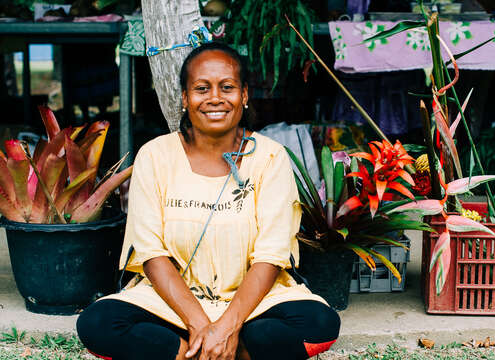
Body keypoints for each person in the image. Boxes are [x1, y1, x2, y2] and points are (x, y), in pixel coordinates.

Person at [76, 42, 341, 360]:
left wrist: (228, 324)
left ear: (243, 95)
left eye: (226, 87)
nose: (215, 98)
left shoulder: (271, 157)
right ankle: (206, 349)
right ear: (185, 98)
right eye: (202, 88)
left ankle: (214, 346)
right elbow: (151, 253)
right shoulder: (155, 155)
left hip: (256, 303)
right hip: (171, 304)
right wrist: (202, 324)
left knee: (319, 322)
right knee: (98, 323)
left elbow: (271, 255)